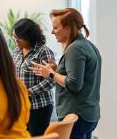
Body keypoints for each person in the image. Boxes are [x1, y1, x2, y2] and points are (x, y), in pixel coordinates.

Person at [30, 8, 101, 139]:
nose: (52, 32)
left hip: (77, 115)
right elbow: (80, 77)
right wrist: (57, 70)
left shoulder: (75, 48)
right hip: (89, 114)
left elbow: (74, 84)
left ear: (68, 28)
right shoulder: (87, 45)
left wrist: (51, 73)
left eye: (56, 28)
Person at [12, 18, 55, 136]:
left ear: (29, 37)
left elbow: (51, 81)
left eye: (18, 38)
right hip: (21, 106)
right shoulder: (16, 51)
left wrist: (28, 92)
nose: (16, 41)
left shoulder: (43, 52)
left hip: (39, 106)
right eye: (14, 37)